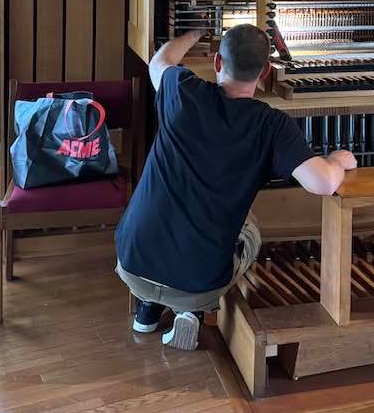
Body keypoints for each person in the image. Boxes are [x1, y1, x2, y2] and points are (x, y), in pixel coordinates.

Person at [115, 23, 357, 350]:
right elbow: (324, 183)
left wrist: (195, 33)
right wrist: (337, 160)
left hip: (132, 260)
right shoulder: (271, 125)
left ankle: (147, 310)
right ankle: (192, 309)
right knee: (249, 227)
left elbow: (160, 60)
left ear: (217, 62)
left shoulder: (182, 90)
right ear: (266, 72)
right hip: (197, 281)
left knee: (173, 214)